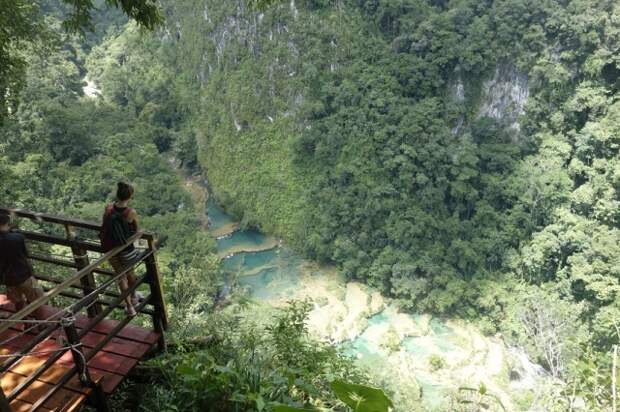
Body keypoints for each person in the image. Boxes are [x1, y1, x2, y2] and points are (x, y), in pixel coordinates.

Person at [100, 182, 142, 316]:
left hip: (110, 250)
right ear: (130, 196)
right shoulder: (131, 212)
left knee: (120, 277)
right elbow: (137, 231)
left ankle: (129, 308)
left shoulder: (108, 208)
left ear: (117, 195)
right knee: (130, 273)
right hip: (125, 249)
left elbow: (104, 225)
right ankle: (134, 297)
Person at [0, 211, 44, 328]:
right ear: (7, 223)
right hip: (24, 275)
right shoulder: (17, 237)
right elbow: (25, 254)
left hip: (8, 278)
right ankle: (41, 324)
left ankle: (26, 324)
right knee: (35, 300)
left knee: (18, 302)